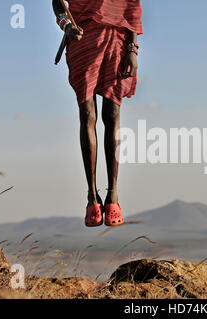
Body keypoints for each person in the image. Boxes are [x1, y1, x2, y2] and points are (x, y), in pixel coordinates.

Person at [52, 0, 142, 227]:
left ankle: (113, 196)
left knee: (112, 114)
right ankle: (92, 196)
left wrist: (132, 49)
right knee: (87, 115)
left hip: (116, 40)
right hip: (82, 39)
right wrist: (66, 26)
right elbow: (57, 1)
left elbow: (131, 7)